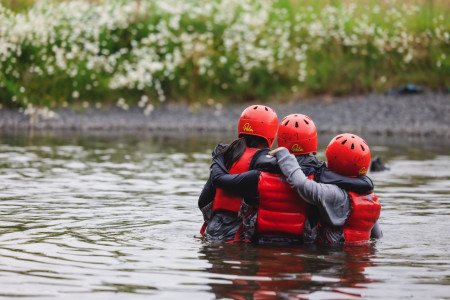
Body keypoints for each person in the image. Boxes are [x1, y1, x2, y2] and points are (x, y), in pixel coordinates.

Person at [201, 113, 375, 244]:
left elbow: (205, 199)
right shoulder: (320, 177)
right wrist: (366, 182)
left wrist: (218, 159)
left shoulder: (258, 173)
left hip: (258, 242)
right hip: (302, 245)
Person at [269, 133, 382, 244]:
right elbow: (378, 236)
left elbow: (301, 184)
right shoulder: (371, 198)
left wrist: (284, 155)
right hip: (361, 258)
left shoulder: (334, 194)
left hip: (333, 257)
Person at [198, 104, 279, 242]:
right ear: (270, 133)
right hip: (238, 232)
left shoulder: (225, 152)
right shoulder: (264, 159)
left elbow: (203, 201)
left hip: (212, 228)